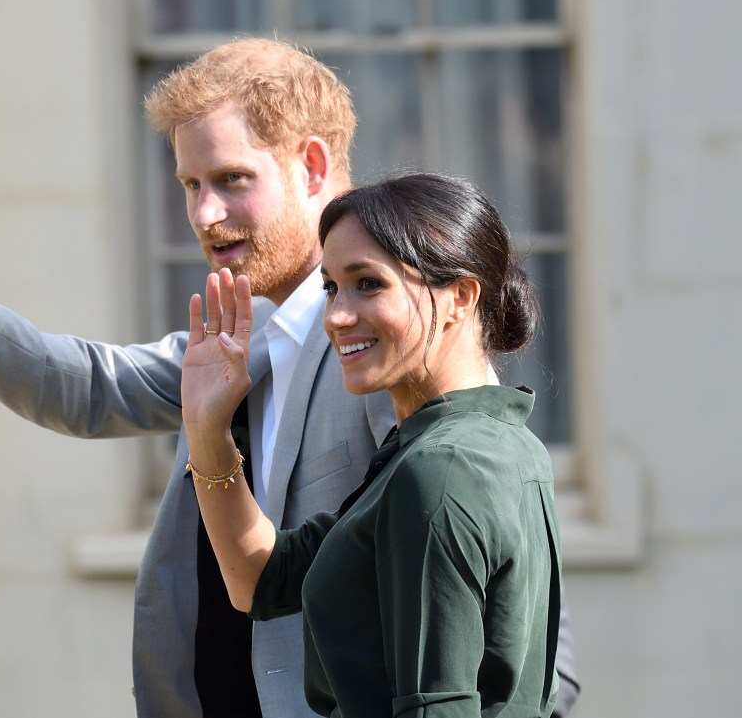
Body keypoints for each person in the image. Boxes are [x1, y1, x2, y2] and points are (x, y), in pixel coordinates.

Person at [0, 38, 578, 717]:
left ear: (311, 166)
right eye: (190, 185)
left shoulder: (389, 350)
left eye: (230, 179)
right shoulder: (235, 343)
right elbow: (97, 389)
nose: (203, 215)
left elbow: (521, 620)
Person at [181, 171, 564, 717]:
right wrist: (206, 428)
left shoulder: (443, 467)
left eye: (369, 283)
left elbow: (437, 706)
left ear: (459, 295)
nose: (336, 317)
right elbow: (261, 579)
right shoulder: (489, 445)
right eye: (331, 287)